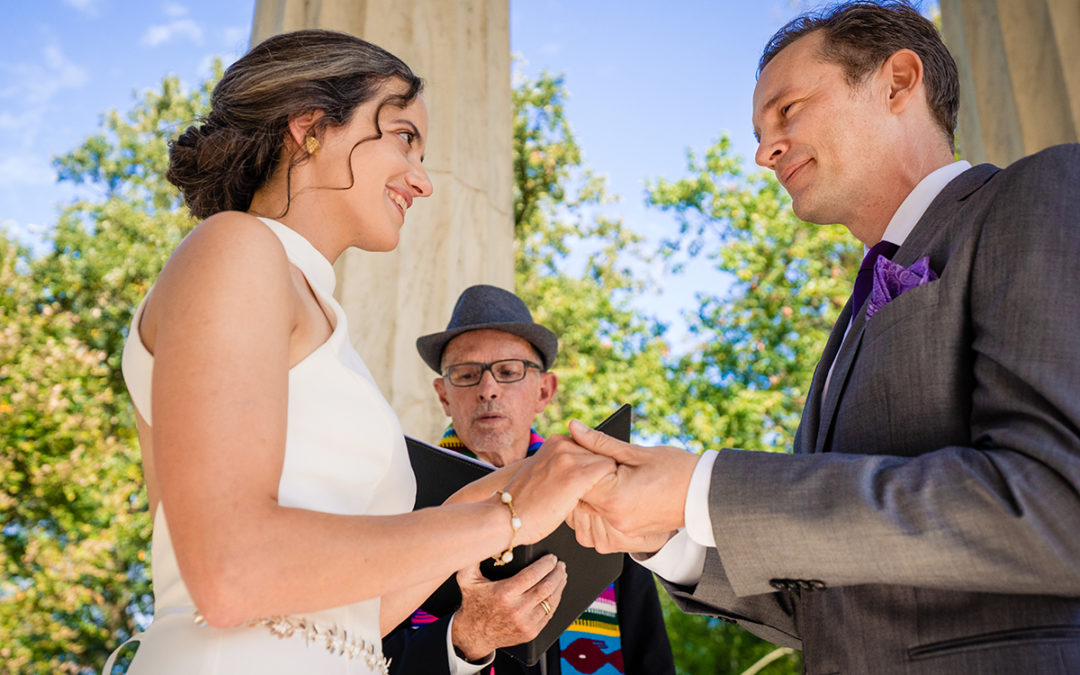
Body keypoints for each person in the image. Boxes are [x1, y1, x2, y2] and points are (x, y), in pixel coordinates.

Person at [560, 2, 1080, 673]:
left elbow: (1057, 503)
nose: (762, 150)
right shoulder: (847, 331)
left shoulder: (1039, 194)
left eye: (788, 109)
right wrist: (671, 534)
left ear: (898, 81)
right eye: (758, 129)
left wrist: (702, 487)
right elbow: (831, 604)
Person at [103, 30, 613, 674]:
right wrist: (507, 518)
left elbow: (352, 618)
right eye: (404, 137)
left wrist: (512, 488)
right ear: (311, 128)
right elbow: (231, 573)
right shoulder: (233, 248)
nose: (423, 181)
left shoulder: (323, 320)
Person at [383, 284, 675, 675]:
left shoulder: (598, 492)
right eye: (467, 374)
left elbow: (648, 650)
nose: (488, 390)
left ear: (544, 390)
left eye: (508, 372)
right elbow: (363, 652)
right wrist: (467, 638)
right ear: (443, 396)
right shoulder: (400, 500)